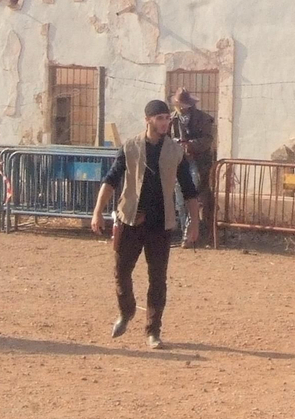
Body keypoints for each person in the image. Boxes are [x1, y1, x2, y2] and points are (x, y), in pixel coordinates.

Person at [90, 100, 201, 348]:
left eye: (166, 118)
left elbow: (190, 190)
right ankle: (127, 310)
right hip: (130, 219)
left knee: (158, 278)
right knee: (121, 271)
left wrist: (194, 223)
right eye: (160, 118)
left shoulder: (175, 152)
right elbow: (110, 181)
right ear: (148, 120)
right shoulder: (130, 147)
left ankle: (153, 330)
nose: (165, 123)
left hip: (160, 224)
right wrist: (97, 212)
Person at [171, 88, 216, 247]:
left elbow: (207, 140)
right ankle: (186, 233)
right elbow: (167, 140)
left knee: (194, 197)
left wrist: (190, 145)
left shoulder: (203, 119)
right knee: (180, 201)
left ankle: (192, 235)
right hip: (179, 163)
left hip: (198, 163)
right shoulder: (172, 120)